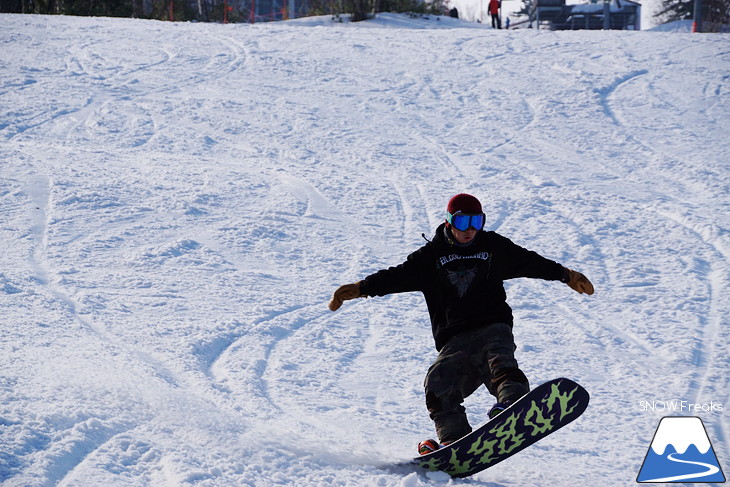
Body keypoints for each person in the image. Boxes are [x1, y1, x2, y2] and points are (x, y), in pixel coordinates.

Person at [328, 193, 594, 454]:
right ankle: (453, 440)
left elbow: (529, 262)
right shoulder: (429, 257)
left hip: (493, 325)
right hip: (455, 340)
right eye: (463, 223)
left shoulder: (493, 247)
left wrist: (565, 274)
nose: (470, 231)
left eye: (476, 222)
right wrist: (362, 288)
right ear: (449, 222)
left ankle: (513, 404)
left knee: (498, 360)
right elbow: (396, 276)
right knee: (438, 382)